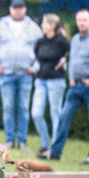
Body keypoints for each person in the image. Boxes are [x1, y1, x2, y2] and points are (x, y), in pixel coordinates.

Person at [45, 9, 89, 164]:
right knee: (63, 117)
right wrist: (71, 77)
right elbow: (72, 60)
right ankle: (55, 153)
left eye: (84, 20)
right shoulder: (74, 39)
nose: (81, 23)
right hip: (75, 87)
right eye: (79, 20)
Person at [0, 0, 41, 150]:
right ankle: (9, 139)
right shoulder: (1, 26)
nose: (18, 11)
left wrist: (34, 68)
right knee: (8, 107)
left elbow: (43, 50)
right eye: (15, 8)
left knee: (24, 108)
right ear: (10, 9)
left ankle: (22, 141)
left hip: (25, 74)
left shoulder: (33, 28)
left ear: (25, 9)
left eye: (21, 8)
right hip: (6, 73)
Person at [31, 13, 69, 154]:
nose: (42, 25)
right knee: (36, 113)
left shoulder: (61, 41)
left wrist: (64, 60)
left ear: (52, 26)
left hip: (56, 81)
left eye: (44, 23)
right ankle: (45, 143)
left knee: (55, 113)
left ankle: (55, 147)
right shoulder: (40, 42)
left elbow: (71, 52)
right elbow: (36, 56)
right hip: (41, 80)